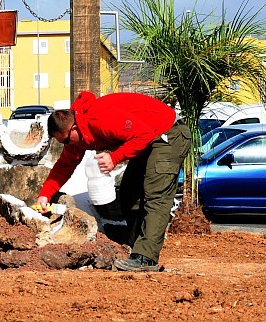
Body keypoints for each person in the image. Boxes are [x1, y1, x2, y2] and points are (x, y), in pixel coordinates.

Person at [35, 91, 191, 272]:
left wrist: (115, 157)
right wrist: (45, 195)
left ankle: (145, 258)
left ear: (74, 129)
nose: (66, 145)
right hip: (148, 139)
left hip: (168, 134)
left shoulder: (100, 118)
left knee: (155, 195)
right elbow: (64, 166)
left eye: (66, 140)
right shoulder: (78, 136)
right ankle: (136, 250)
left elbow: (143, 134)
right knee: (129, 193)